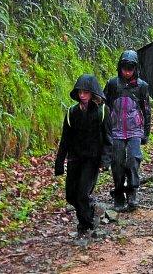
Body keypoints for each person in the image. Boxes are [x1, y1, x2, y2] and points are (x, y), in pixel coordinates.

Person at [54, 74, 112, 235]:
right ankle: (92, 209)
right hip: (75, 158)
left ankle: (85, 224)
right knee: (71, 195)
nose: (82, 95)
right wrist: (59, 162)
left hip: (92, 159)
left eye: (86, 92)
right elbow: (65, 139)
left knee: (82, 193)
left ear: (93, 93)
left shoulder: (102, 111)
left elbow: (108, 138)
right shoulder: (72, 112)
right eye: (80, 92)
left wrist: (105, 160)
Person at [103, 50, 151, 212]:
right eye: (124, 67)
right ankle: (118, 192)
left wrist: (146, 133)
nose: (127, 71)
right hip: (116, 130)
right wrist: (104, 130)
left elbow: (146, 110)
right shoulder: (112, 84)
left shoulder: (142, 87)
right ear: (119, 67)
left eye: (131, 67)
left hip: (135, 130)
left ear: (136, 68)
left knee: (133, 159)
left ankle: (132, 191)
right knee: (117, 162)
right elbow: (105, 107)